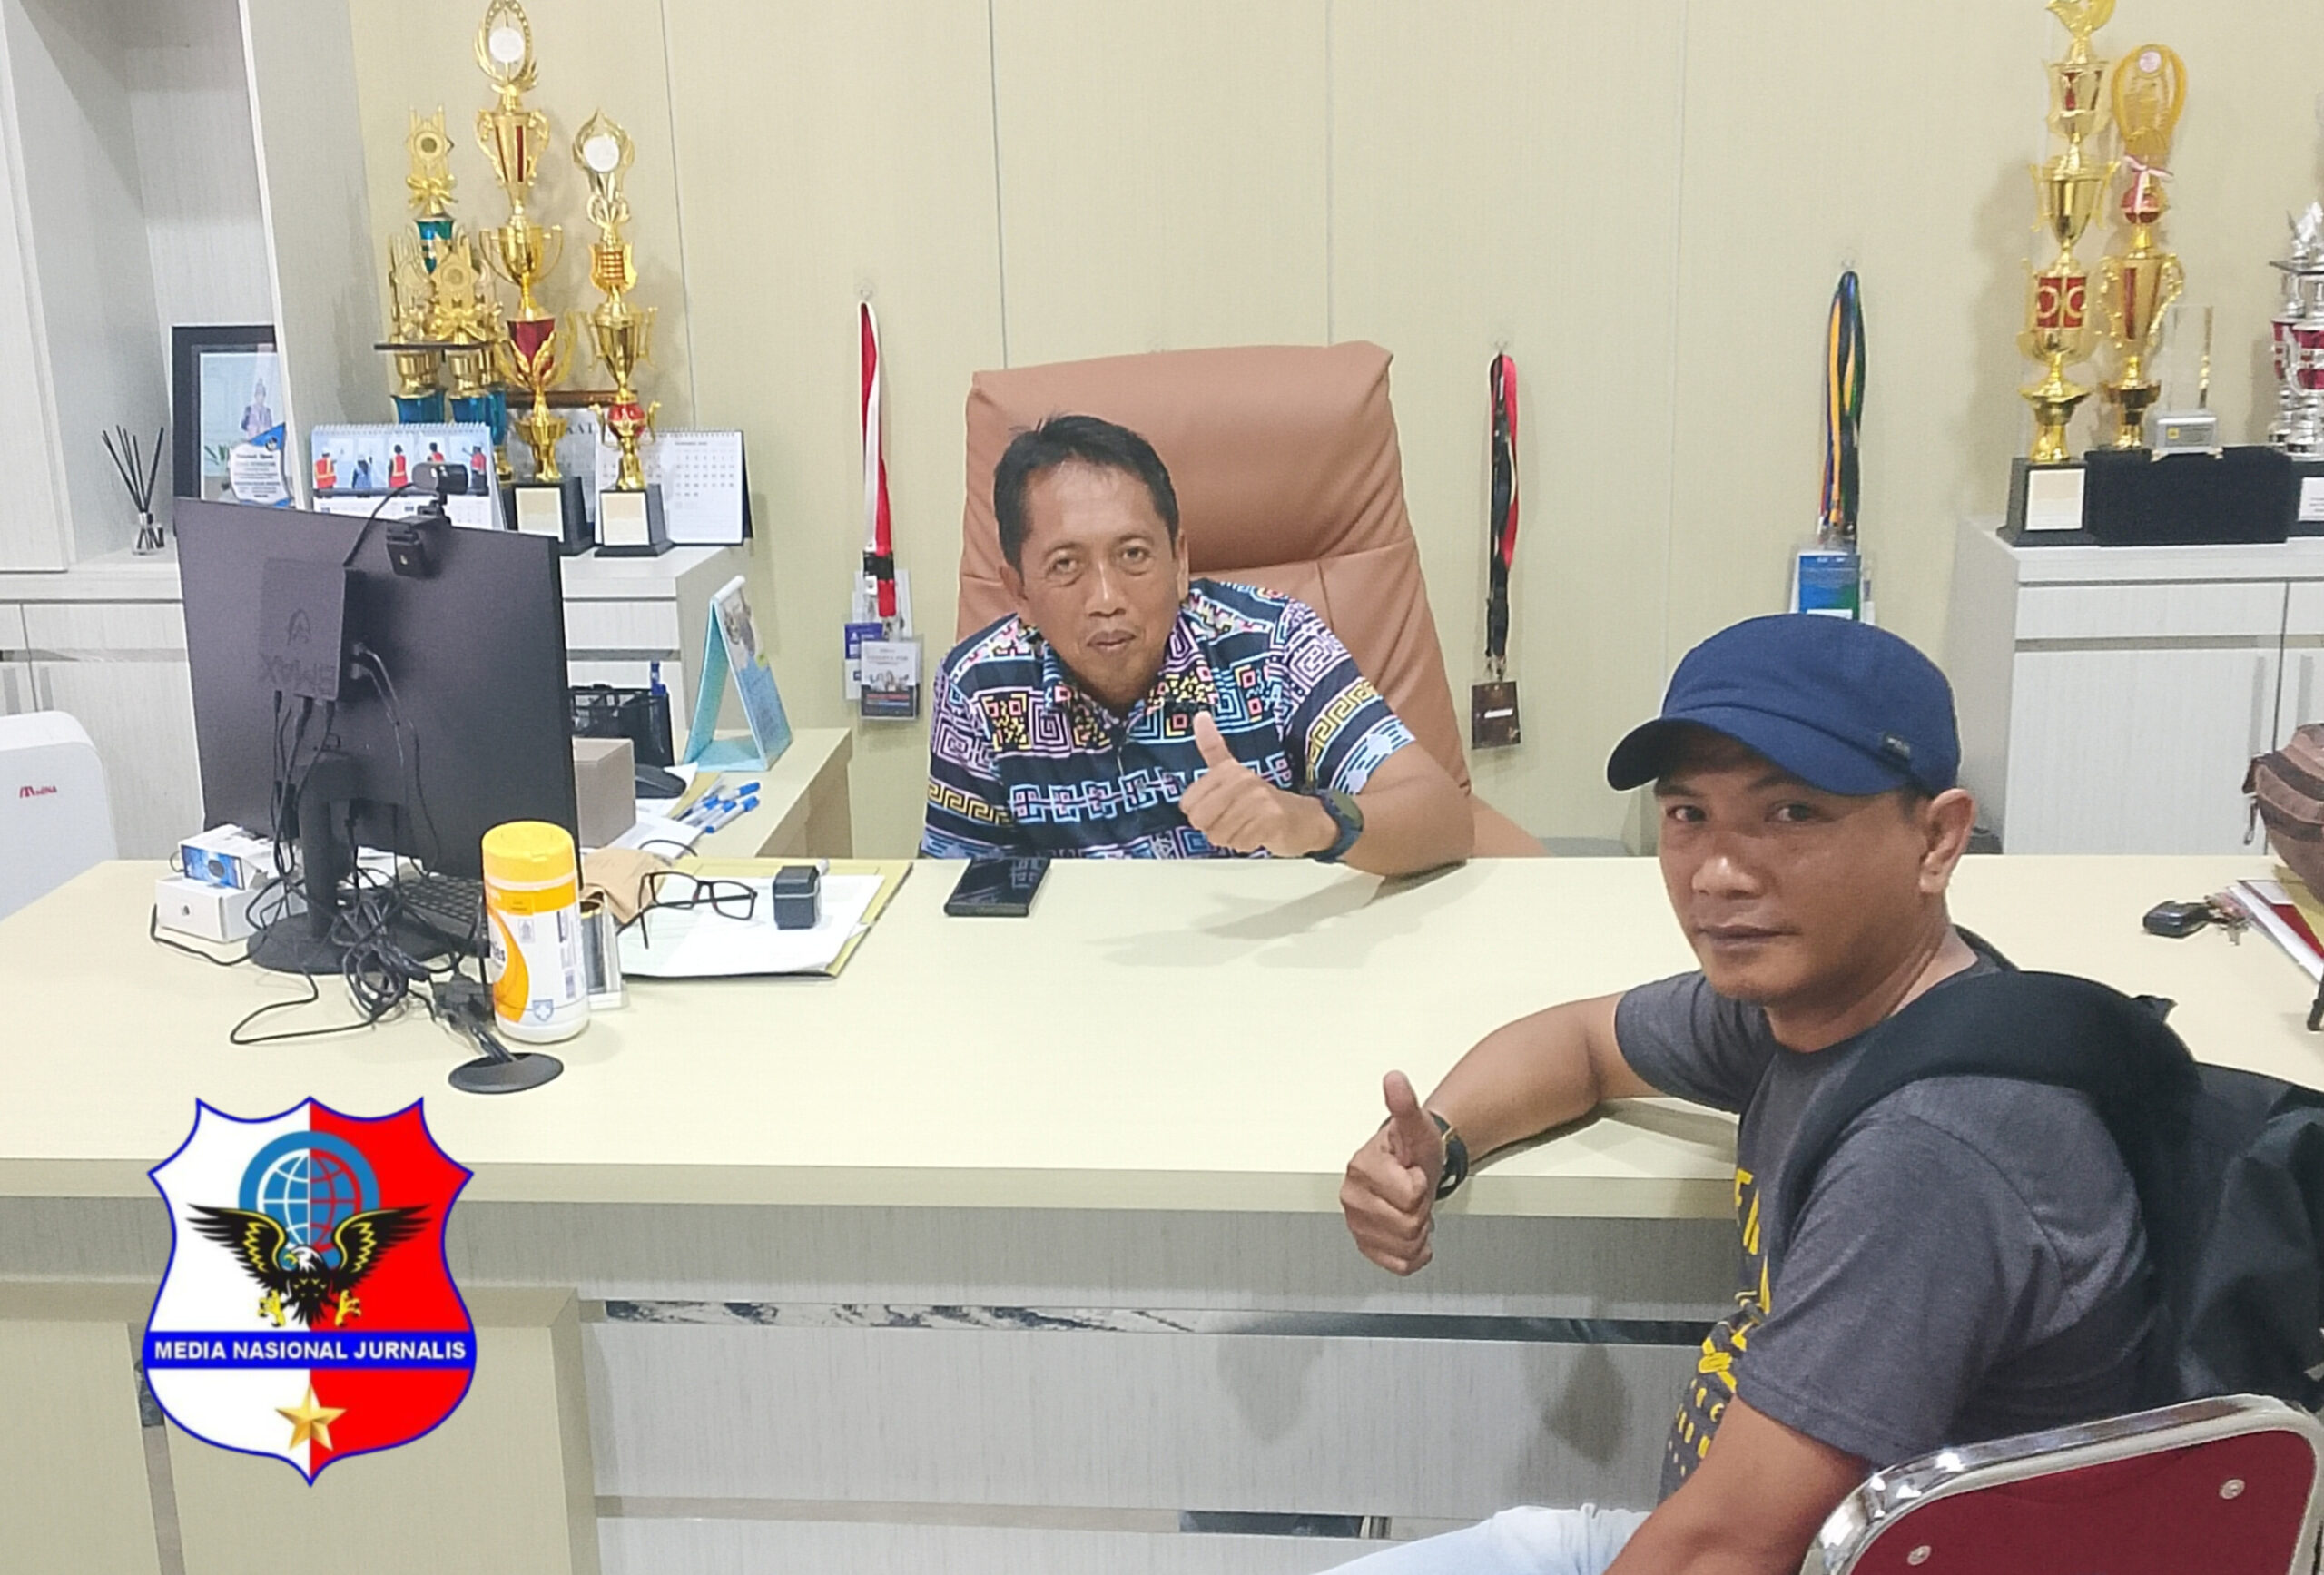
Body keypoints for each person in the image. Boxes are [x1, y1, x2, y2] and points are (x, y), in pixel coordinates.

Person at [1332, 615, 2148, 1575]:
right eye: (1688, 815)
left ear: (1936, 839)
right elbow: (1580, 1042)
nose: (1718, 874)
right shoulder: (1827, 997)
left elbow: (1725, 1552)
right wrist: (1442, 1140)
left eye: (1792, 813)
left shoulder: (1930, 1156)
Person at [922, 414, 1472, 875]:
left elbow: (1445, 817)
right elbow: (956, 886)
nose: (1106, 599)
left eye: (1133, 555)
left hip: (1267, 951)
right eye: (1066, 565)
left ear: (1179, 561)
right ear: (1019, 590)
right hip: (1074, 963)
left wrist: (1309, 821)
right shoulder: (979, 686)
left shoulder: (1272, 643)